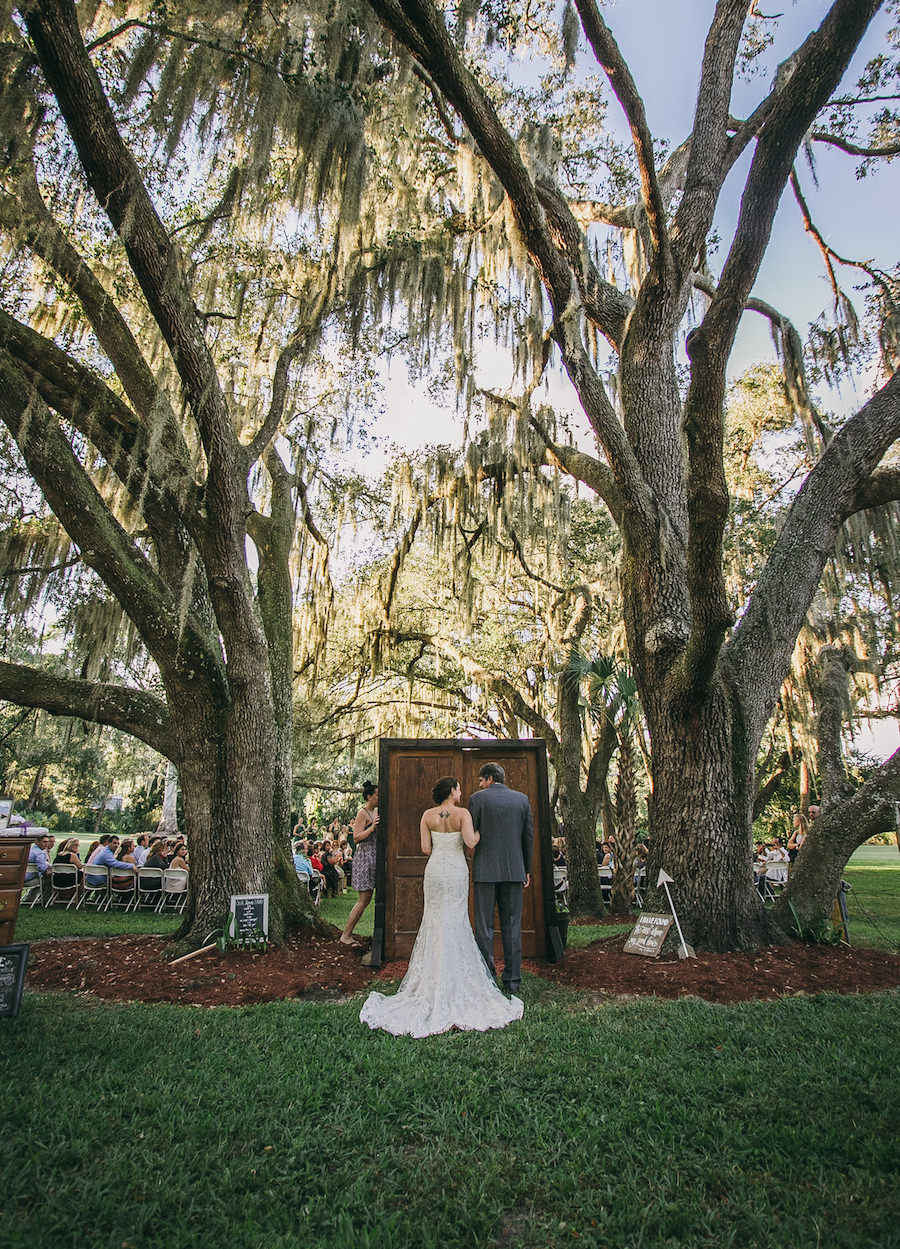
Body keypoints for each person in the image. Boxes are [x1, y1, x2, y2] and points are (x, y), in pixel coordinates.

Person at [360, 777, 523, 1036]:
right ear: (453, 792)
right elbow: (471, 842)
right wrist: (482, 830)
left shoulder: (427, 815)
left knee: (434, 919)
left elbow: (426, 849)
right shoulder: (463, 814)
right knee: (456, 918)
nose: (462, 791)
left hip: (435, 870)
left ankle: (431, 980)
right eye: (459, 788)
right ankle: (455, 978)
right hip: (456, 870)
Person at [468, 761, 534, 998]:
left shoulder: (478, 799)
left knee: (484, 926)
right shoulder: (522, 800)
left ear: (489, 779)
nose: (479, 784)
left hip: (485, 871)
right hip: (514, 870)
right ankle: (513, 979)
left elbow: (470, 833)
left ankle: (487, 976)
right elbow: (528, 837)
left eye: (480, 780)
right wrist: (526, 869)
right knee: (512, 925)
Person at [340, 781, 379, 946]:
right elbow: (356, 837)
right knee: (364, 898)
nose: (379, 798)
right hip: (365, 857)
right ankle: (346, 935)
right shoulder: (362, 813)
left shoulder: (376, 811)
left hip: (375, 855)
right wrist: (371, 828)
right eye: (377, 795)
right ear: (369, 796)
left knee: (369, 898)